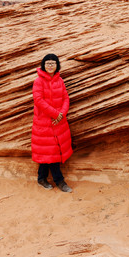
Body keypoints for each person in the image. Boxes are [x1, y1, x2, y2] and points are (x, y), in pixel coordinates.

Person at [31, 53, 73, 192]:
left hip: (58, 122)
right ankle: (59, 181)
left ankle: (41, 178)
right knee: (52, 152)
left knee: (50, 153)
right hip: (44, 123)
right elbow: (38, 100)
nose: (50, 65)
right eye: (48, 63)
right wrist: (56, 114)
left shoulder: (60, 80)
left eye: (53, 63)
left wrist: (62, 113)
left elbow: (66, 98)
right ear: (43, 65)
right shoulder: (38, 81)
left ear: (57, 65)